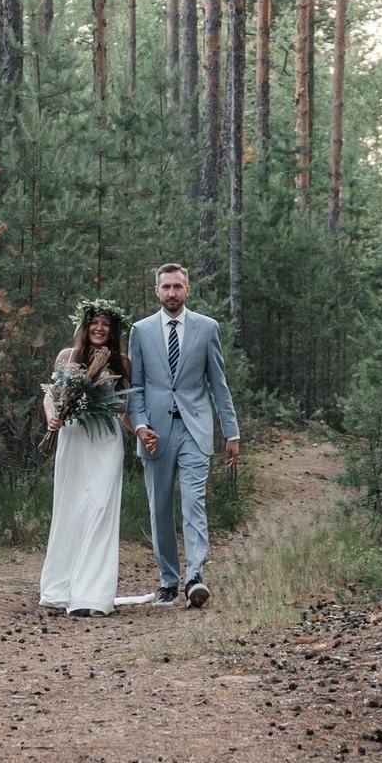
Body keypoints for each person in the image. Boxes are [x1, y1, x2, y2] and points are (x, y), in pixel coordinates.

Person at [127, 263, 240, 609]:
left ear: (188, 289)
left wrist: (231, 432)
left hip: (195, 428)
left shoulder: (207, 328)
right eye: (166, 288)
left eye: (178, 286)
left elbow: (218, 385)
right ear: (156, 291)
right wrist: (141, 426)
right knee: (160, 507)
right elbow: (136, 388)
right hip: (156, 432)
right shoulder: (141, 331)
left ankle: (195, 577)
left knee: (194, 502)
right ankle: (168, 582)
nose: (172, 293)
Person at [38, 300, 130, 617]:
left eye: (106, 323)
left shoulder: (122, 361)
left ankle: (92, 594)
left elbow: (125, 407)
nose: (100, 328)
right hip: (74, 437)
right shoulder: (67, 357)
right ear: (85, 325)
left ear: (113, 329)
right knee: (71, 509)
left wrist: (142, 433)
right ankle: (61, 588)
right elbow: (51, 395)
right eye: (95, 322)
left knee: (101, 508)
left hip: (106, 440)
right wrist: (53, 417)